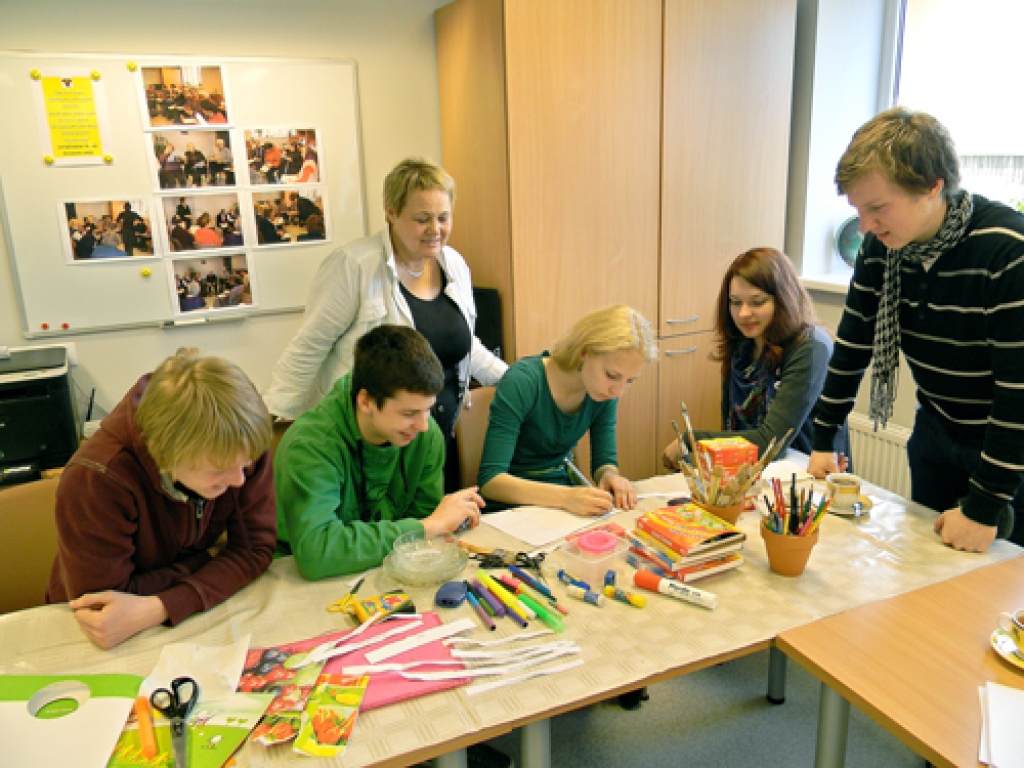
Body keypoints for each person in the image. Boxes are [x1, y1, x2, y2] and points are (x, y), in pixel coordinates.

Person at [807, 107, 1024, 552]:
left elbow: (1017, 393)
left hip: (1008, 449)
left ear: (932, 186)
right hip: (936, 432)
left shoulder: (1008, 251)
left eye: (877, 208)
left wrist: (984, 507)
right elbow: (853, 343)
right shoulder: (882, 246)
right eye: (858, 210)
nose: (865, 226)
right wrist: (824, 435)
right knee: (927, 576)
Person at [264, 157, 507, 492]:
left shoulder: (454, 264)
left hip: (432, 440)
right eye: (421, 219)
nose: (434, 229)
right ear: (391, 212)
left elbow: (465, 345)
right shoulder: (353, 266)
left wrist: (516, 379)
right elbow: (308, 348)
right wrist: (270, 429)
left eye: (443, 217)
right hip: (370, 443)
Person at [46, 349, 277, 650]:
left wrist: (161, 607)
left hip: (164, 614)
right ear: (164, 454)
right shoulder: (97, 478)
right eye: (218, 470)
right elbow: (105, 603)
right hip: (92, 631)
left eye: (245, 464)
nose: (239, 480)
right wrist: (208, 560)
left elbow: (255, 549)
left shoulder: (238, 443)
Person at [274, 325, 484, 580]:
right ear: (366, 402)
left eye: (428, 409)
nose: (423, 425)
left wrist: (438, 523)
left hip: (384, 572)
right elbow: (317, 553)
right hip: (299, 582)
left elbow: (427, 533)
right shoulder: (310, 446)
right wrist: (427, 526)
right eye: (408, 414)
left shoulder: (426, 437)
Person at [661, 247, 850, 468]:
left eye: (757, 302)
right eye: (735, 302)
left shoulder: (810, 347)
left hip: (805, 475)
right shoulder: (742, 343)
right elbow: (732, 430)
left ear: (784, 299)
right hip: (752, 471)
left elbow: (771, 443)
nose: (743, 314)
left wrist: (689, 441)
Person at [478, 304, 657, 516]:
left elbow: (604, 461)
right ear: (584, 352)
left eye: (630, 381)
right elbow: (491, 480)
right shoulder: (523, 382)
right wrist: (566, 498)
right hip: (510, 507)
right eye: (612, 375)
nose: (618, 392)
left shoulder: (603, 393)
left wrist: (609, 475)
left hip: (563, 500)